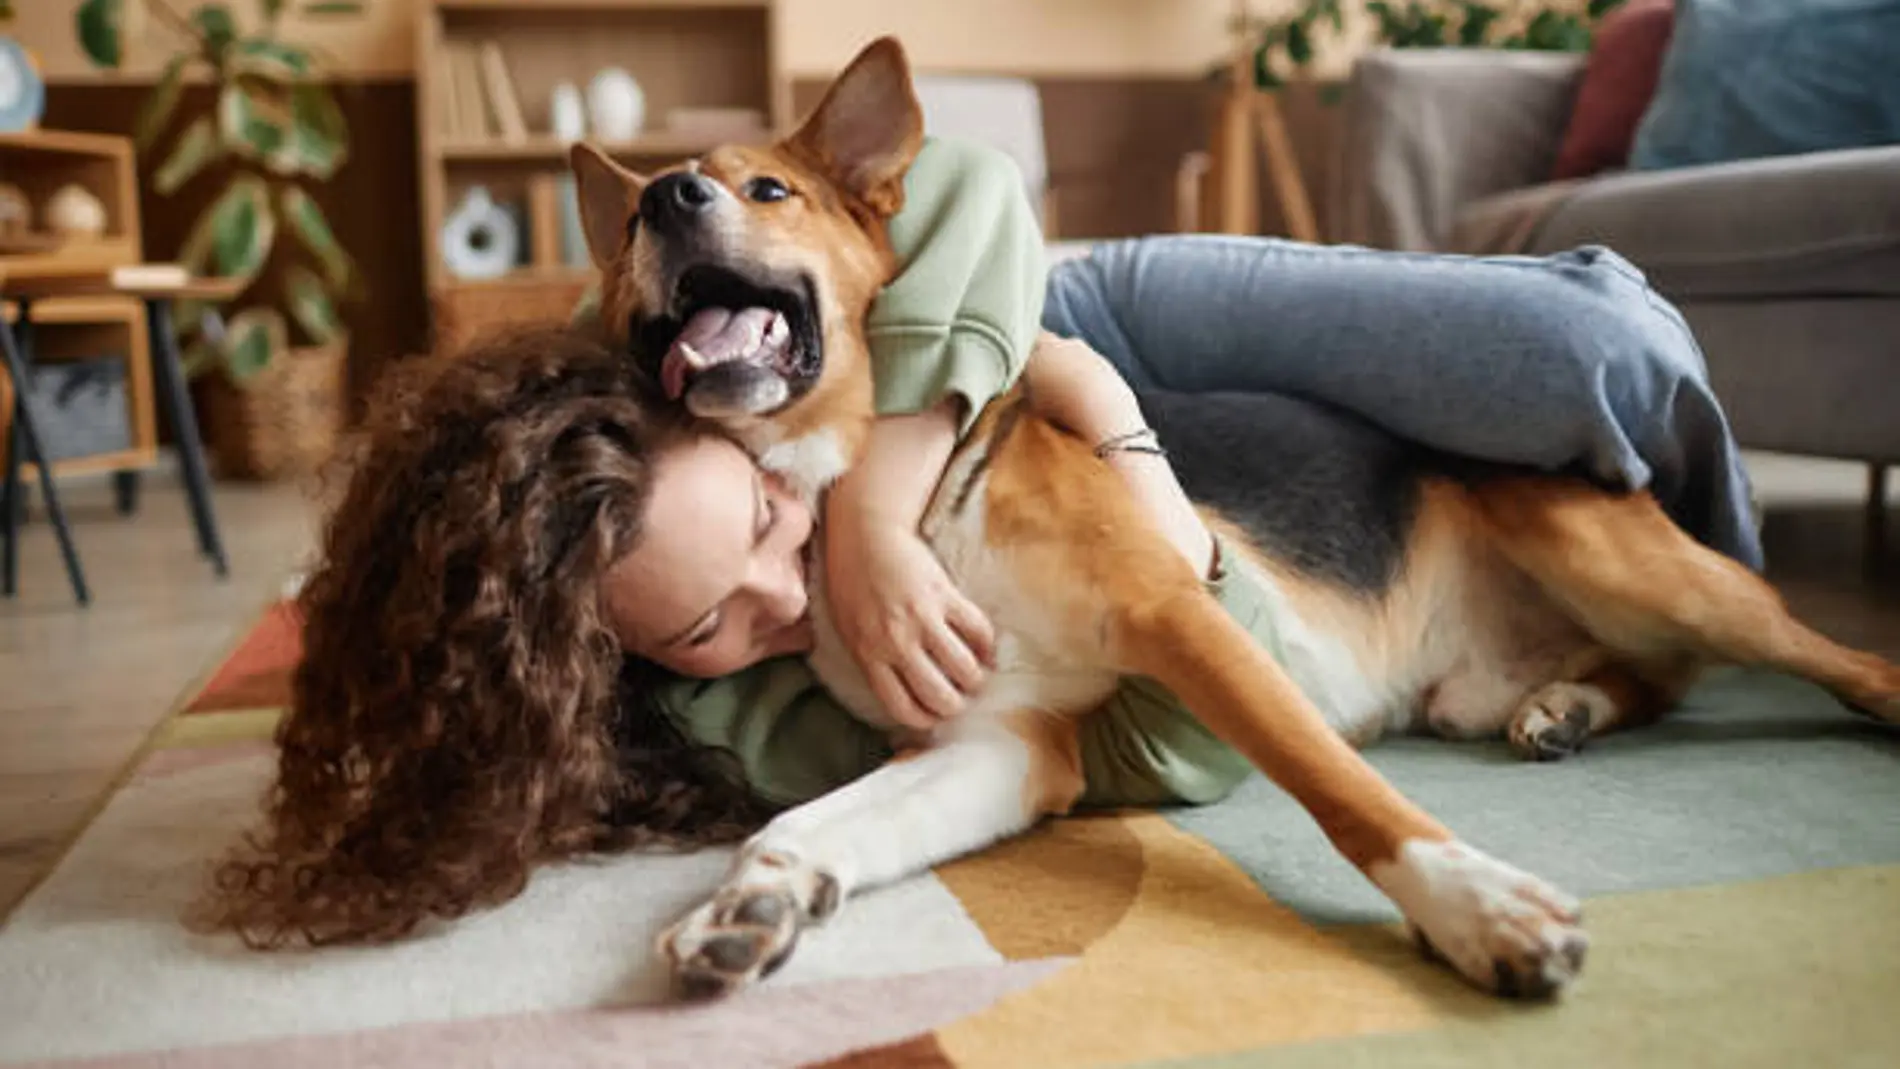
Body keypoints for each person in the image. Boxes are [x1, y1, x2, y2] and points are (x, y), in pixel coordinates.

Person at [200, 137, 1760, 950]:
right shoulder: (640, 617)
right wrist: (798, 847)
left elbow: (960, 192)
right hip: (1160, 499)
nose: (777, 579)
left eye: (759, 525)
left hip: (1044, 302)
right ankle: (1632, 666)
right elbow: (1054, 750)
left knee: (1599, 366)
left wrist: (875, 503)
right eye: (701, 627)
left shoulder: (616, 364)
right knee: (1573, 429)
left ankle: (1692, 566)